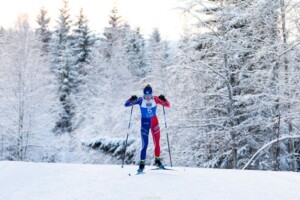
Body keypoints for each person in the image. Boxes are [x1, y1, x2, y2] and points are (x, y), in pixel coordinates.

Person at [124, 84, 170, 173]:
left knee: (157, 142)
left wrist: (164, 100)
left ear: (152, 94)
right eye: (146, 96)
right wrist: (131, 99)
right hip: (145, 124)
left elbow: (168, 105)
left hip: (155, 123)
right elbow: (126, 104)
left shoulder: (155, 99)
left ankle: (157, 161)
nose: (148, 98)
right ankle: (142, 165)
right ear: (144, 95)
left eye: (149, 95)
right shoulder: (140, 100)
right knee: (145, 145)